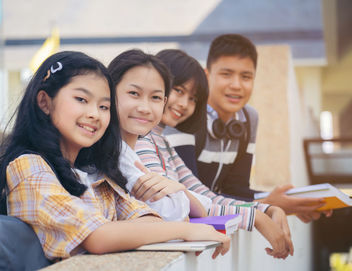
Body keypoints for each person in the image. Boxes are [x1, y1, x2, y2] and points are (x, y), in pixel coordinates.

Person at [0, 51, 230, 261]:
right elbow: (96, 236)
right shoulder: (28, 167)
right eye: (81, 99)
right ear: (45, 102)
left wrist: (159, 223)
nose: (95, 114)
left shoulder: (98, 173)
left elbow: (150, 219)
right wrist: (186, 231)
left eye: (104, 106)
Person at [131, 48, 293, 259]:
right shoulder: (139, 140)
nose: (184, 104)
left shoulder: (162, 142)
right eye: (179, 90)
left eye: (193, 98)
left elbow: (206, 196)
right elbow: (169, 205)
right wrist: (256, 218)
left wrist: (265, 209)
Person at [167, 34, 332, 223]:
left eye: (246, 77)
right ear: (206, 76)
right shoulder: (186, 114)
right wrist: (268, 206)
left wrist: (289, 204)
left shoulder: (249, 118)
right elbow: (192, 195)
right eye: (226, 74)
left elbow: (236, 188)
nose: (236, 85)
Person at [108, 49, 210, 221]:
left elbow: (203, 203)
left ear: (163, 101)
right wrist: (182, 198)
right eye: (134, 93)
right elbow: (170, 212)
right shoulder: (115, 153)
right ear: (109, 92)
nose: (144, 108)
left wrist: (180, 192)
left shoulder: (141, 149)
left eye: (155, 97)